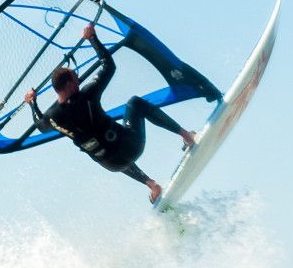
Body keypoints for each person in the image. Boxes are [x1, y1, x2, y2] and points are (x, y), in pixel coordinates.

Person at [24, 23, 196, 203]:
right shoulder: (86, 95)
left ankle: (152, 185)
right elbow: (108, 66)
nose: (79, 82)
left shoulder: (51, 119)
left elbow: (39, 124)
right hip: (132, 146)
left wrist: (32, 103)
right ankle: (186, 136)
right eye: (76, 79)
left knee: (104, 148)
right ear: (68, 84)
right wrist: (92, 38)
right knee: (134, 103)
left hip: (113, 164)